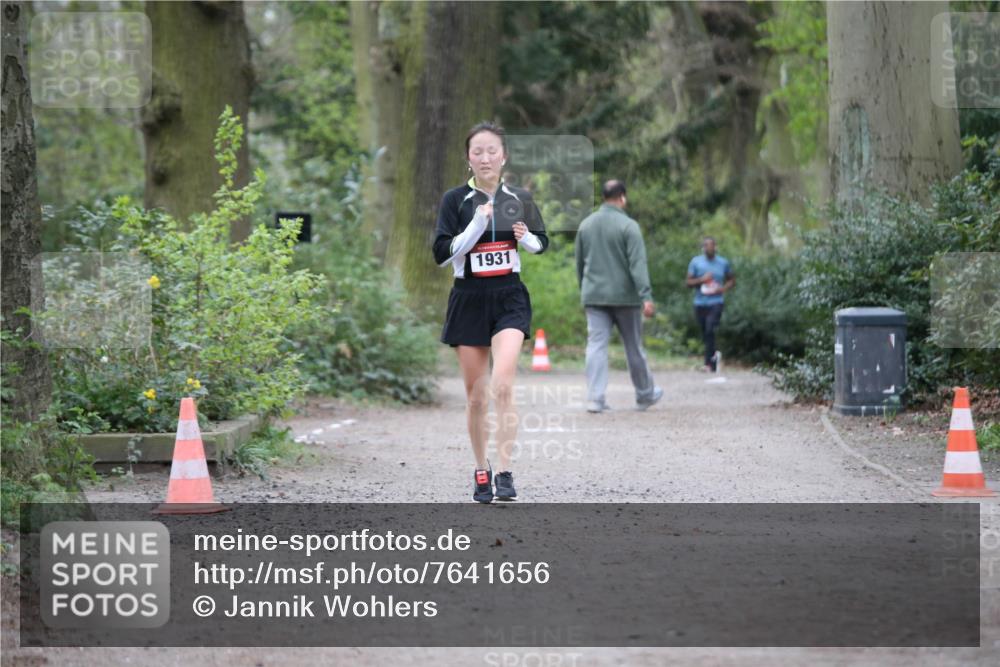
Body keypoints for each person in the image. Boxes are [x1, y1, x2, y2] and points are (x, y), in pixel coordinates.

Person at [432, 121, 548, 503]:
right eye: (478, 151)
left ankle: (505, 470)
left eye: (492, 151)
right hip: (468, 299)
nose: (485, 157)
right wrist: (476, 226)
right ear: (468, 158)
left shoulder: (520, 197)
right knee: (477, 396)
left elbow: (540, 243)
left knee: (503, 383)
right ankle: (481, 468)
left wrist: (525, 237)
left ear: (504, 156)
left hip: (509, 297)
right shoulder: (455, 201)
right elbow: (441, 254)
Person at [575, 180, 663, 414]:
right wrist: (646, 296)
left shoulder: (586, 225)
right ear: (622, 197)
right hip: (626, 298)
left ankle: (595, 399)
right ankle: (645, 395)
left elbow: (579, 263)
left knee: (596, 346)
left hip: (594, 296)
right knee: (633, 347)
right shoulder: (629, 226)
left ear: (604, 197)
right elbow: (638, 264)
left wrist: (584, 290)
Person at [685, 237, 735, 372]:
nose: (709, 248)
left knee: (710, 329)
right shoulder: (696, 262)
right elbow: (688, 283)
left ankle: (709, 364)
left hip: (716, 302)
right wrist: (702, 279)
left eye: (711, 245)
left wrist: (722, 289)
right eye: (706, 246)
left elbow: (731, 280)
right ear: (703, 248)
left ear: (715, 247)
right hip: (700, 302)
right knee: (705, 333)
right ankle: (714, 357)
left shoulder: (723, 263)